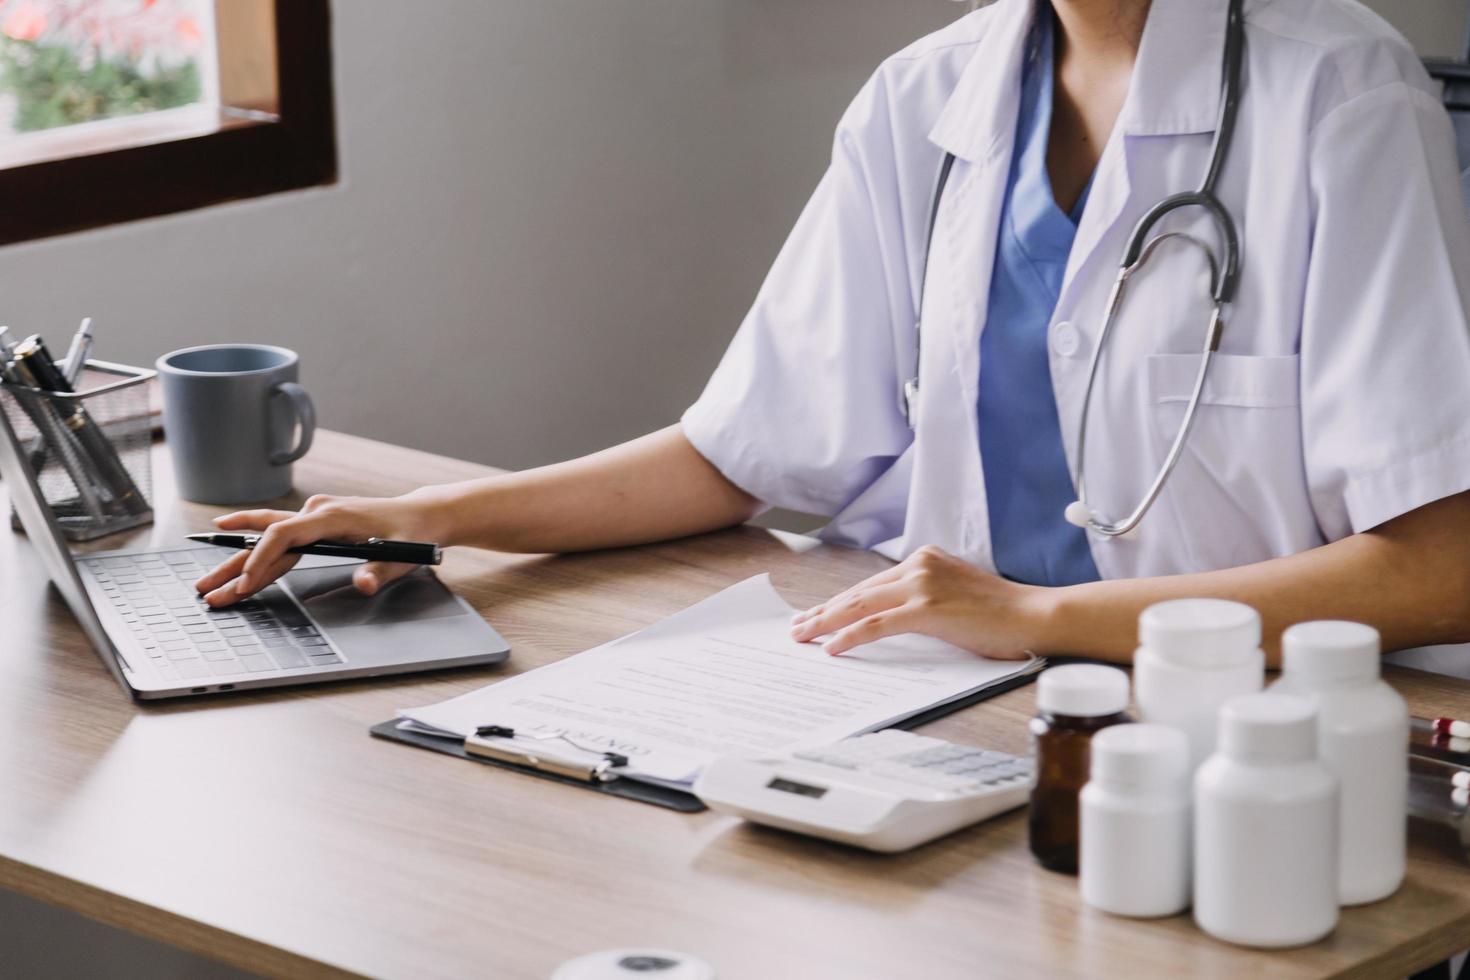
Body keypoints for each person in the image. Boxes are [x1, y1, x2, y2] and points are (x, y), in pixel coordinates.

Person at [197, 0, 1470, 666]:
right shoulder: (923, 99)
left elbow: (1440, 565)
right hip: (947, 707)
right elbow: (742, 451)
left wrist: (1036, 616)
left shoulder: (1341, 98)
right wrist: (440, 518)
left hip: (1227, 728)